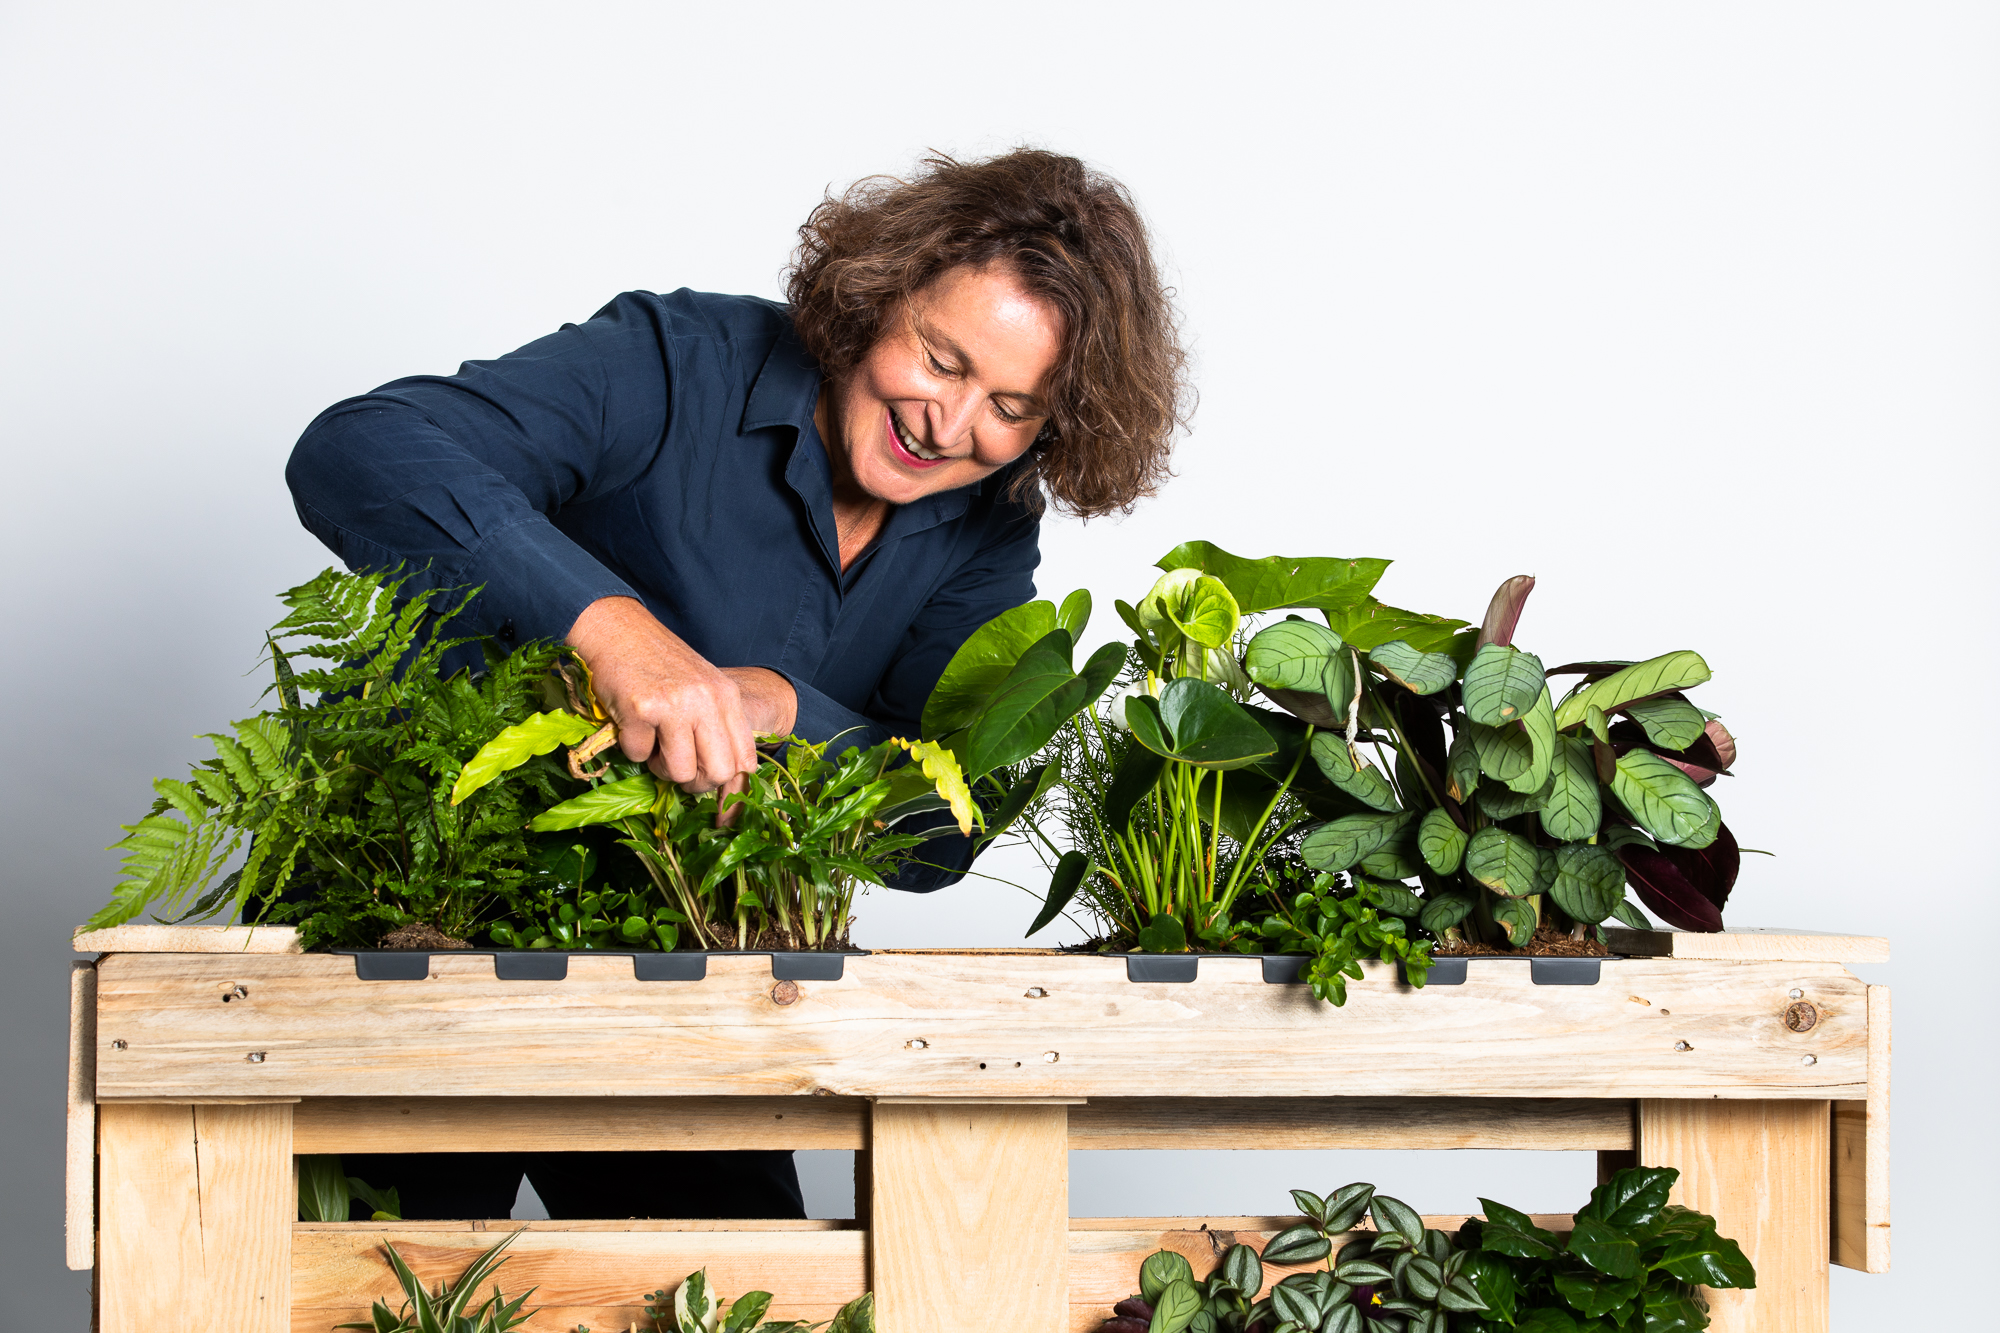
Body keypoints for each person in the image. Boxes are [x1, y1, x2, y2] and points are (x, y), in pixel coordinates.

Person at [286, 148, 1189, 1221]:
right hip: (415, 929)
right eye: (940, 360)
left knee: (730, 1284)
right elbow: (356, 450)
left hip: (679, 980)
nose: (947, 426)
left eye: (1009, 404)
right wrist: (615, 634)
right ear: (878, 294)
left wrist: (783, 706)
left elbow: (942, 831)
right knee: (352, 1277)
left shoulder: (985, 535)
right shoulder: (678, 362)